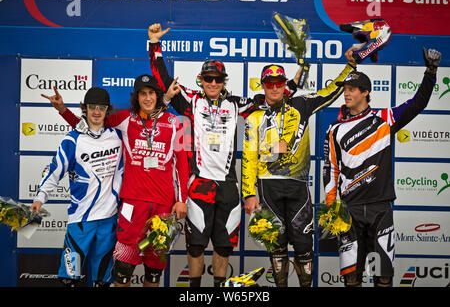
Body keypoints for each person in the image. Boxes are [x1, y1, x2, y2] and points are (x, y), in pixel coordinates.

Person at [147, 23, 268, 287]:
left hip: (228, 187)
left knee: (224, 249)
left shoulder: (237, 104)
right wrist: (155, 45)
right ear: (200, 80)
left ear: (224, 82)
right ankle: (194, 291)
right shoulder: (192, 100)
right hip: (199, 184)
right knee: (196, 247)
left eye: (218, 79)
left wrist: (292, 80)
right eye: (208, 78)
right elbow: (163, 82)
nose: (213, 83)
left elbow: (272, 96)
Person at [42, 74, 189, 287]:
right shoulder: (125, 119)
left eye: (151, 94)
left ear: (157, 96)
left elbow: (182, 165)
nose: (147, 98)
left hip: (163, 204)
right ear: (136, 98)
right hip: (132, 203)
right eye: (142, 94)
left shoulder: (174, 123)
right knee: (123, 266)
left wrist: (181, 199)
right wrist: (63, 111)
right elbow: (91, 126)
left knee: (154, 266)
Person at [322, 48, 441, 287]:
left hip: (380, 208)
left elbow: (418, 103)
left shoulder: (385, 119)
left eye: (352, 90)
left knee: (383, 277)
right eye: (345, 89)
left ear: (365, 93)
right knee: (351, 278)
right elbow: (331, 169)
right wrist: (331, 204)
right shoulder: (334, 129)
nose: (346, 94)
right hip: (349, 209)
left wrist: (430, 72)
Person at [242, 50, 357, 287]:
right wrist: (248, 194)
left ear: (285, 85)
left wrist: (350, 67)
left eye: (279, 83)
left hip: (298, 187)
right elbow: (249, 158)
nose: (274, 88)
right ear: (263, 86)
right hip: (267, 186)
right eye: (269, 84)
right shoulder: (254, 117)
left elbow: (330, 92)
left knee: (304, 247)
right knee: (276, 245)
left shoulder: (300, 105)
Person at [31, 87, 123, 287]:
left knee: (102, 281)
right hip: (80, 221)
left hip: (108, 221)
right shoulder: (72, 140)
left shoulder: (118, 137)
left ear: (108, 110)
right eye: (92, 107)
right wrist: (40, 197)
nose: (97, 112)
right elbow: (54, 170)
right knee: (68, 279)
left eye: (101, 107)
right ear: (85, 108)